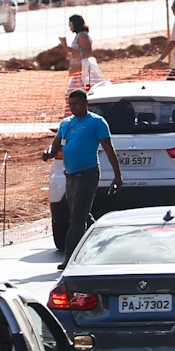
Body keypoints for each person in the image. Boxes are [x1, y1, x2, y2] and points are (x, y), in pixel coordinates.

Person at [43, 87, 123, 257]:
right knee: (80, 215)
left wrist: (117, 176)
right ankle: (104, 240)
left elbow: (109, 149)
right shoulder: (66, 123)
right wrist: (48, 152)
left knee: (77, 218)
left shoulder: (96, 122)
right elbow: (55, 144)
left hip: (87, 174)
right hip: (70, 175)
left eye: (76, 104)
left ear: (86, 103)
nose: (73, 107)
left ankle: (71, 258)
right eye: (70, 104)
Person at [62, 14, 101, 91]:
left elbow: (89, 53)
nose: (69, 26)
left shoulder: (83, 36)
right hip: (78, 70)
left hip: (83, 70)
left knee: (70, 93)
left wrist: (72, 50)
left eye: (70, 24)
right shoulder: (78, 35)